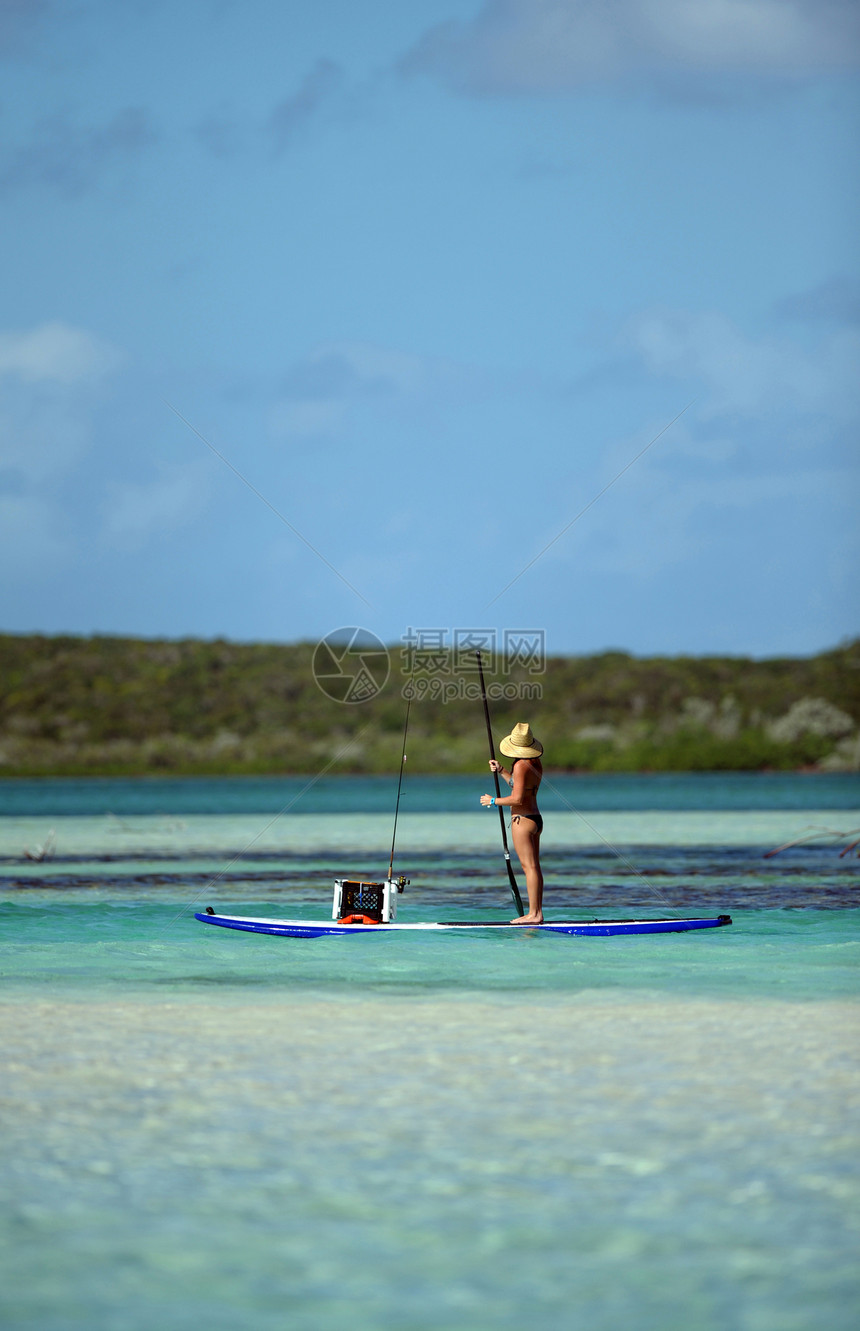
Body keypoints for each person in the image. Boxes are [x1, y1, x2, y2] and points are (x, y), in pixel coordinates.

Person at [480, 721, 544, 924]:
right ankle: (536, 912)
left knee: (529, 868)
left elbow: (517, 799)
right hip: (535, 819)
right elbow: (520, 787)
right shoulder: (534, 763)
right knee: (534, 867)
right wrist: (501, 771)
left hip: (522, 821)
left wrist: (492, 801)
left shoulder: (520, 765)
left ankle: (534, 915)